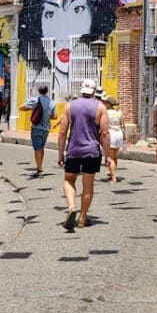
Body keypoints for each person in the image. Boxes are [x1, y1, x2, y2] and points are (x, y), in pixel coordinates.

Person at [57, 79, 109, 232]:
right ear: (94, 92)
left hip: (73, 150)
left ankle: (72, 207)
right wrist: (108, 155)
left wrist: (60, 154)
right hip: (92, 151)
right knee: (88, 185)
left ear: (81, 91)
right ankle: (82, 218)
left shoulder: (69, 106)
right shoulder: (100, 107)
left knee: (69, 179)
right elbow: (104, 133)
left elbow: (62, 132)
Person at [20, 85, 57, 178]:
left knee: (37, 149)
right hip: (46, 128)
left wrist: (32, 109)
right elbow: (55, 116)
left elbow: (21, 107)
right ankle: (39, 166)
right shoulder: (51, 102)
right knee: (41, 148)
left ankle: (39, 170)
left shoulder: (35, 100)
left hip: (37, 128)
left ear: (39, 91)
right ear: (47, 91)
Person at [104, 96, 125, 183]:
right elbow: (123, 125)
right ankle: (112, 173)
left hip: (111, 134)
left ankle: (113, 177)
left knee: (110, 157)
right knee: (115, 157)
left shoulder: (106, 113)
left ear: (109, 103)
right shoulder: (119, 112)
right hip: (119, 133)